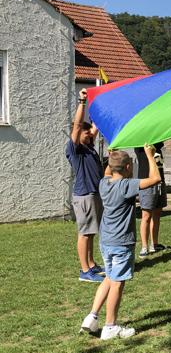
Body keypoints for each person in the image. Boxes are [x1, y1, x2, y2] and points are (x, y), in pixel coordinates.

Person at [79, 146, 161, 339]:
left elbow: (109, 170)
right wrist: (149, 155)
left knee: (109, 277)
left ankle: (92, 317)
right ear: (127, 166)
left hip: (106, 240)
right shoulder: (126, 185)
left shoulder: (104, 182)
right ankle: (110, 326)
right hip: (121, 242)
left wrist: (112, 153)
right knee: (117, 282)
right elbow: (155, 179)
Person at [66, 88, 105, 282]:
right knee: (85, 233)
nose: (90, 134)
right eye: (86, 132)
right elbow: (78, 125)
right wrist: (83, 101)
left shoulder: (89, 147)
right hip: (84, 195)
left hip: (94, 194)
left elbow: (95, 126)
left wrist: (100, 103)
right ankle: (84, 272)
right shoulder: (75, 149)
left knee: (91, 232)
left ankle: (91, 265)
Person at [135, 142, 167, 258]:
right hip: (147, 184)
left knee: (157, 214)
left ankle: (154, 243)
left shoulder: (157, 144)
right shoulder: (140, 146)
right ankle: (144, 247)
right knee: (146, 216)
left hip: (160, 182)